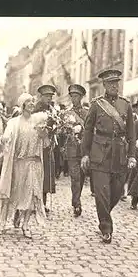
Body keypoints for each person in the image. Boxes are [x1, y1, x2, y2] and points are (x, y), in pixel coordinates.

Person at [81, 69, 136, 244]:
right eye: (111, 83)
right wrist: (85, 154)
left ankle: (104, 215)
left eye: (116, 83)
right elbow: (88, 130)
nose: (115, 86)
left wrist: (132, 155)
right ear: (104, 85)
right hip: (100, 153)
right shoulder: (97, 105)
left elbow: (131, 134)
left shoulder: (125, 105)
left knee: (117, 191)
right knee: (102, 192)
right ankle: (106, 226)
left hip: (119, 153)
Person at [0, 93, 48, 238]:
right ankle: (16, 214)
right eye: (29, 102)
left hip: (35, 163)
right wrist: (5, 138)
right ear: (22, 105)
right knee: (18, 193)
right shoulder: (14, 122)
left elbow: (46, 143)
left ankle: (26, 225)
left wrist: (44, 133)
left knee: (32, 194)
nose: (32, 104)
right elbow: (7, 135)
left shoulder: (39, 120)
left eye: (33, 101)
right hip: (20, 163)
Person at [63, 84, 89, 217]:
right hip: (72, 150)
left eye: (77, 96)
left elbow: (91, 131)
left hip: (84, 151)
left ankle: (76, 199)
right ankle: (77, 204)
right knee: (75, 178)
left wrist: (81, 129)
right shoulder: (67, 114)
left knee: (82, 177)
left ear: (81, 97)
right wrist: (69, 130)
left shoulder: (87, 113)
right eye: (72, 96)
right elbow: (63, 132)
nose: (74, 99)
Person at [34, 84, 57, 213]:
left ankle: (43, 202)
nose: (49, 98)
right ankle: (36, 202)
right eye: (47, 96)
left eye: (50, 96)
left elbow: (55, 124)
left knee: (47, 173)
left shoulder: (52, 110)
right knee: (38, 173)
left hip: (48, 146)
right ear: (41, 96)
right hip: (37, 145)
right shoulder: (35, 109)